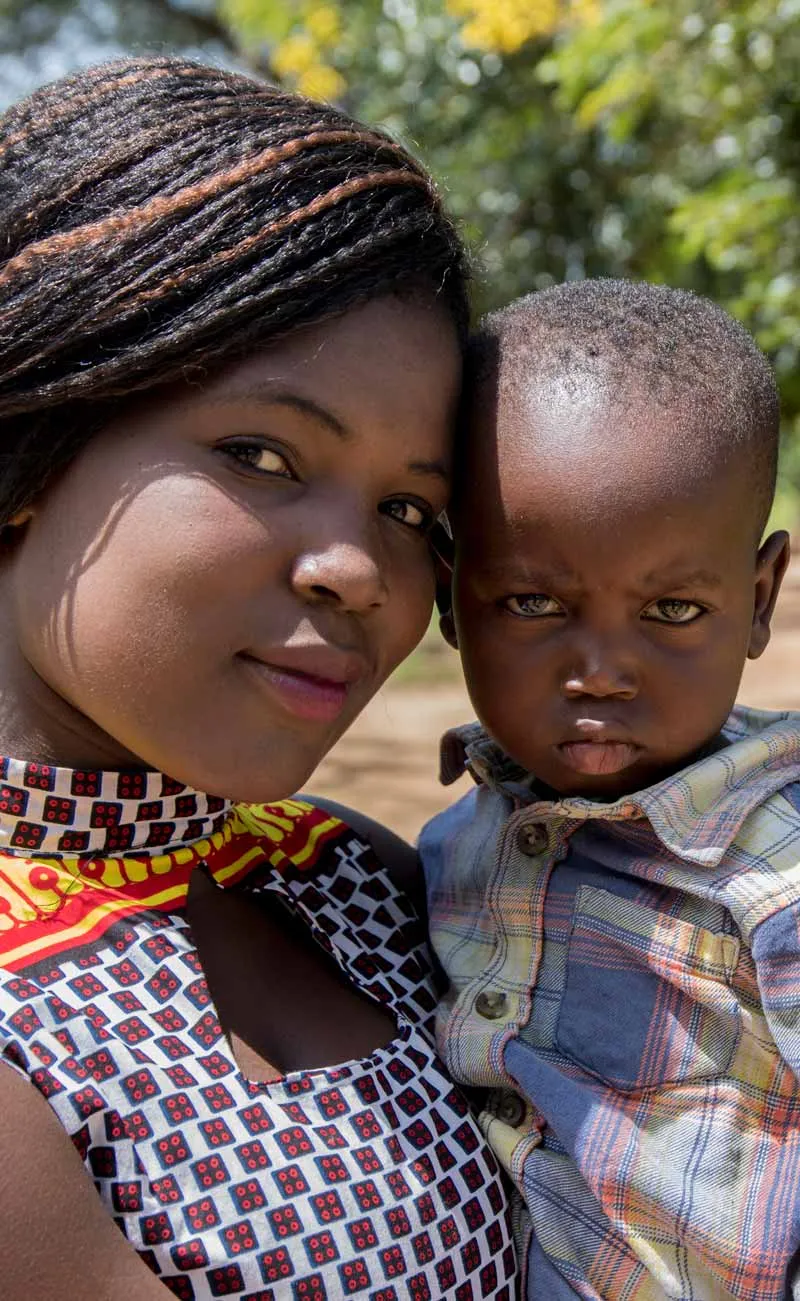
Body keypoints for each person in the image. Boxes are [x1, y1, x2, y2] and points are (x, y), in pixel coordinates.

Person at [0, 57, 517, 1301]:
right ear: (29, 434)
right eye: (261, 451)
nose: (359, 568)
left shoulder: (351, 878)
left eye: (409, 506)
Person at [420, 279, 800, 1299]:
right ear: (450, 598)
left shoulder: (775, 872)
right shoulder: (451, 845)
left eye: (671, 608)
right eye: (532, 600)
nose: (599, 668)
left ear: (756, 600)